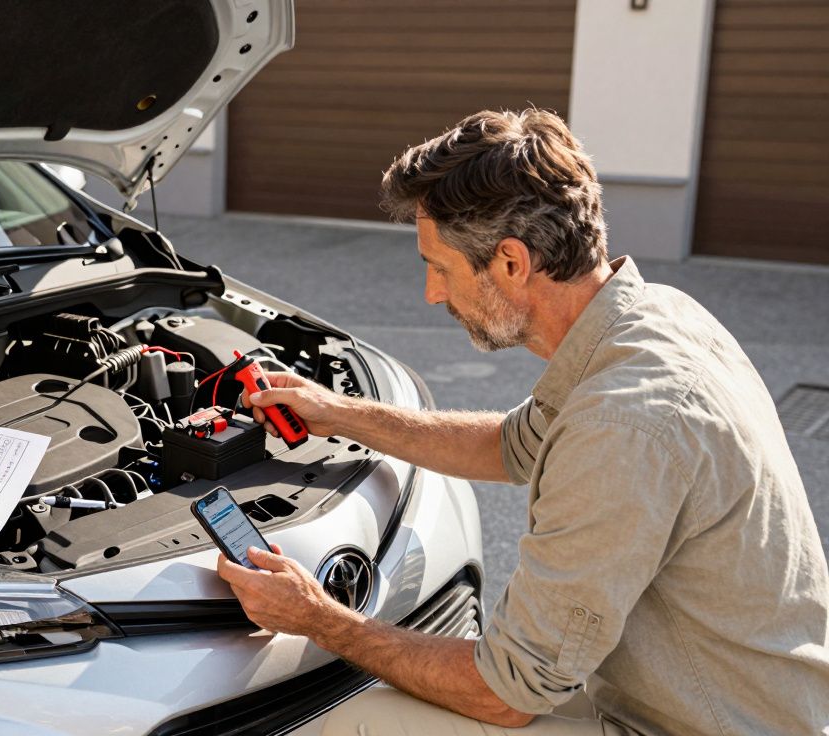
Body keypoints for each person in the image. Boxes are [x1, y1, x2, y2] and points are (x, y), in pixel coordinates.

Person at [218, 109, 829, 735]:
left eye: (441, 267)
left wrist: (319, 618)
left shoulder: (624, 424)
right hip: (730, 700)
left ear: (511, 263)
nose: (431, 293)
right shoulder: (652, 319)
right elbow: (510, 446)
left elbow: (506, 694)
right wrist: (338, 412)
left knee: (344, 722)